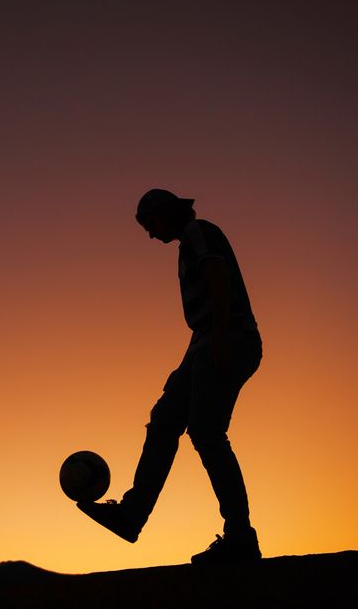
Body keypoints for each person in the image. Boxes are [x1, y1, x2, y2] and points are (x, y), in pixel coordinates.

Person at [78, 188, 263, 564]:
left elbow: (218, 282)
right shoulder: (186, 246)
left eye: (150, 224)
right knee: (164, 420)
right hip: (205, 345)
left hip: (229, 339)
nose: (149, 234)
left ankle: (240, 536)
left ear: (166, 212)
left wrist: (221, 343)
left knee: (207, 432)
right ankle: (132, 516)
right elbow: (205, 313)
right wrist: (189, 365)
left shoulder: (200, 232)